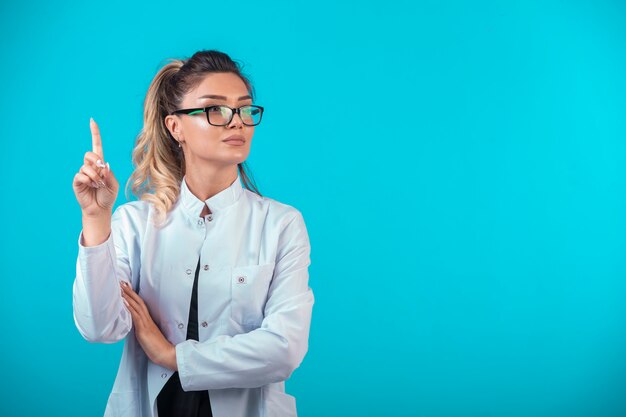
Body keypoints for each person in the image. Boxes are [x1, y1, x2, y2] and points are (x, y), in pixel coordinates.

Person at [71, 49, 314, 417]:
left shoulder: (280, 224)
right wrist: (95, 218)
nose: (237, 123)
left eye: (245, 109)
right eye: (215, 109)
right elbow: (99, 327)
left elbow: (284, 348)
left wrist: (173, 356)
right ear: (175, 127)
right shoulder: (135, 224)